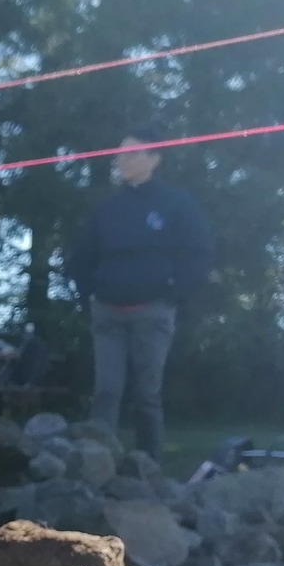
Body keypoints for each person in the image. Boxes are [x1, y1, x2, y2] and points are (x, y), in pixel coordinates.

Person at [65, 129, 214, 461]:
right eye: (120, 153)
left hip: (153, 310)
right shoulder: (107, 208)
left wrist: (175, 292)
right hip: (108, 311)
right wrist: (88, 293)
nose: (123, 159)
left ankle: (149, 466)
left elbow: (199, 252)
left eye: (132, 153)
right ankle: (96, 463)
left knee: (147, 393)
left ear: (154, 159)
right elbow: (80, 256)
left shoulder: (176, 203)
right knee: (106, 391)